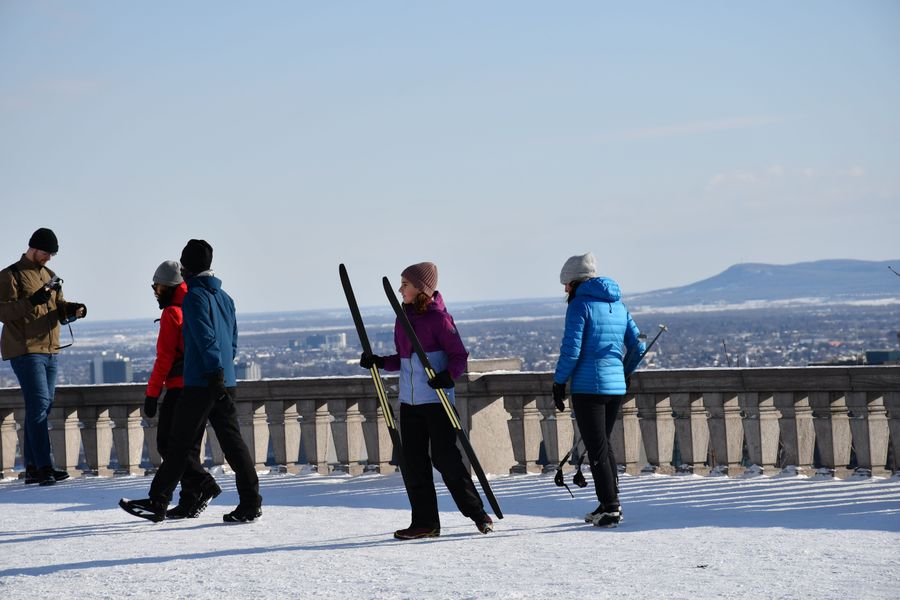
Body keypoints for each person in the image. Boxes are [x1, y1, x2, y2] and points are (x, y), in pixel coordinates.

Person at [119, 239, 262, 523]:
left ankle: (157, 501)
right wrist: (223, 373)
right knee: (234, 445)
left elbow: (204, 338)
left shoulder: (194, 297)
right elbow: (231, 343)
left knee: (178, 444)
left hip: (201, 382)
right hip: (226, 381)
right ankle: (250, 502)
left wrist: (212, 373)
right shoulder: (226, 297)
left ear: (186, 268)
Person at [360, 262, 493, 539]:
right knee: (413, 463)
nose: (400, 289)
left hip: (437, 402)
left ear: (421, 288)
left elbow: (459, 356)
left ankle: (478, 513)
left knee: (446, 461)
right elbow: (404, 361)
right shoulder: (402, 319)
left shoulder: (439, 319)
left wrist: (448, 376)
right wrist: (380, 362)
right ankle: (425, 523)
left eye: (405, 284)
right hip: (409, 404)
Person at [552, 252, 643, 528]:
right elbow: (638, 346)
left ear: (577, 282)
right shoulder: (618, 304)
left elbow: (571, 350)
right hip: (615, 387)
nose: (565, 289)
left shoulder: (580, 306)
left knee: (597, 449)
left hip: (588, 387)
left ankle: (611, 508)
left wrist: (558, 383)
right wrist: (623, 372)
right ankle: (608, 503)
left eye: (567, 283)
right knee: (604, 445)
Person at [0, 228, 87, 486]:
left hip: (51, 349)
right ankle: (44, 467)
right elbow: (4, 312)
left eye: (52, 254)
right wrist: (33, 300)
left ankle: (33, 467)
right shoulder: (10, 275)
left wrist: (73, 310)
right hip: (26, 350)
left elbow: (57, 310)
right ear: (34, 248)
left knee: (43, 407)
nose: (49, 258)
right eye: (47, 253)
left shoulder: (50, 276)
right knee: (38, 407)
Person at [144, 260, 221, 518]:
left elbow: (164, 358)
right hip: (200, 386)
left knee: (168, 444)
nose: (155, 291)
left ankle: (204, 485)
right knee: (189, 447)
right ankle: (190, 499)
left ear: (168, 286)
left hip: (178, 388)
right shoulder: (196, 305)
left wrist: (152, 393)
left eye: (157, 286)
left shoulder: (172, 314)